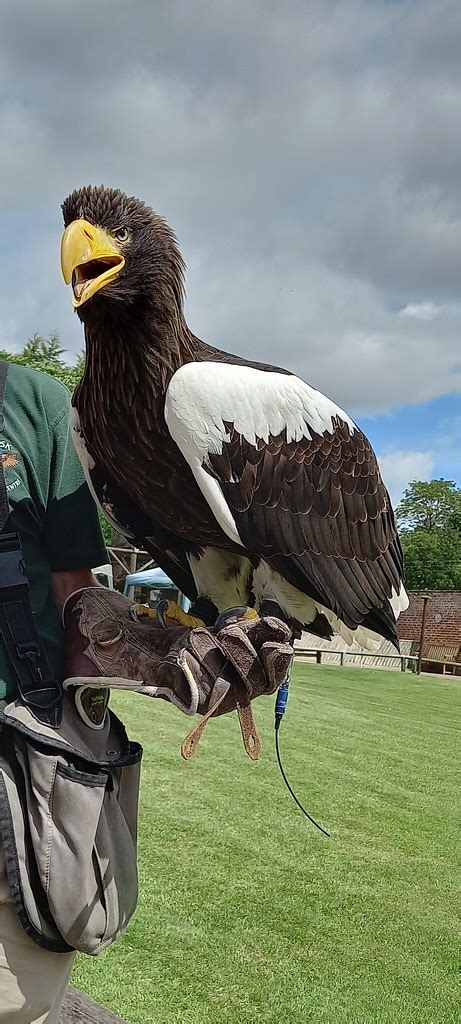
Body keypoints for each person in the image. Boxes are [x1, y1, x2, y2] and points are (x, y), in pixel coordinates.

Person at [0, 361, 108, 1023]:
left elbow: (79, 600)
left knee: (16, 1002)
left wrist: (160, 653)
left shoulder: (34, 404)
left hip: (13, 764)